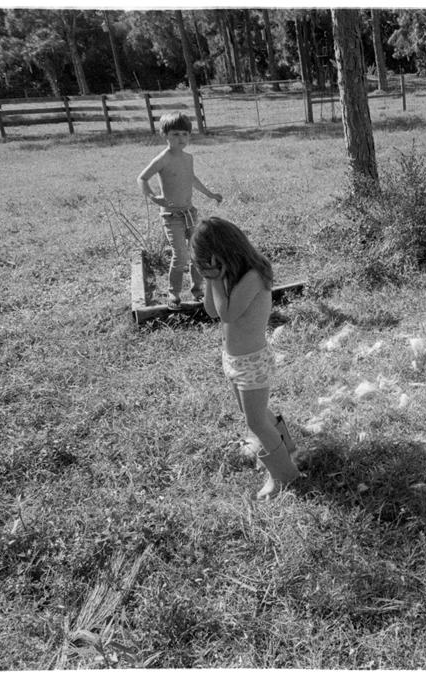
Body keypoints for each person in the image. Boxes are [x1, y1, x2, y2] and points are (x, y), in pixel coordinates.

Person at [192, 216, 301, 500]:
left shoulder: (254, 275)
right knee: (253, 414)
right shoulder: (230, 274)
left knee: (256, 422)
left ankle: (284, 475)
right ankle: (286, 447)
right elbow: (213, 311)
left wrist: (216, 279)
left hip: (252, 362)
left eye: (206, 263)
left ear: (220, 254)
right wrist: (211, 279)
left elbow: (228, 314)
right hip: (235, 360)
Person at [137, 111, 223, 310]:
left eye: (185, 134)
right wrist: (153, 197)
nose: (181, 138)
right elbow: (142, 178)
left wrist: (210, 194)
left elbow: (192, 179)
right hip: (172, 216)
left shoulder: (188, 157)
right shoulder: (163, 159)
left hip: (190, 212)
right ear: (164, 135)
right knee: (181, 255)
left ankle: (197, 290)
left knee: (197, 252)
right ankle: (173, 293)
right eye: (175, 134)